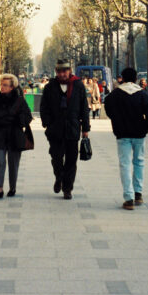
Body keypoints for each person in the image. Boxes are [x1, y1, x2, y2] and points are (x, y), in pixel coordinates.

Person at [104, 67, 148, 210]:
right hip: (139, 133)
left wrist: (117, 120)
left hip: (122, 133)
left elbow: (109, 110)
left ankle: (128, 198)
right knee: (139, 162)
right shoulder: (143, 95)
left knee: (125, 164)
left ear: (121, 78)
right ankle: (138, 193)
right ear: (135, 79)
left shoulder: (115, 95)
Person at [40, 59, 90, 200]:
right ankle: (59, 177)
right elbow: (44, 107)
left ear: (69, 71)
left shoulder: (78, 85)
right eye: (60, 71)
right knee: (56, 158)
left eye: (65, 71)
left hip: (72, 129)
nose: (62, 74)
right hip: (55, 129)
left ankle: (67, 188)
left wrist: (85, 128)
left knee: (71, 161)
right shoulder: (50, 87)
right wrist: (47, 123)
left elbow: (84, 108)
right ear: (56, 72)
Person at [0, 74, 32, 198]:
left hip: (15, 135)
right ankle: (0, 188)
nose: (2, 87)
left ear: (12, 87)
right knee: (0, 161)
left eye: (5, 85)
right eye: (1, 85)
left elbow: (28, 116)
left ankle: (12, 187)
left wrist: (18, 120)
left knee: (13, 163)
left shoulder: (20, 100)